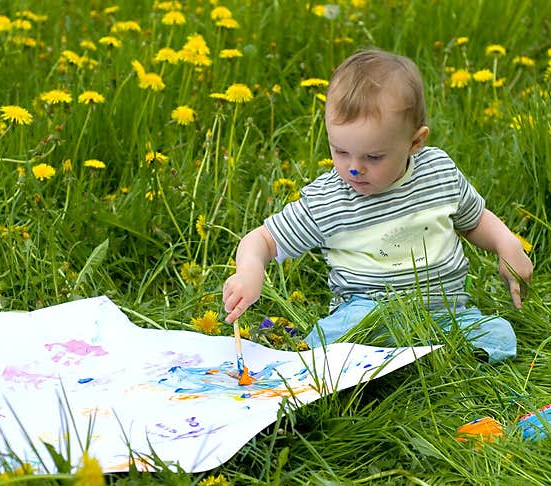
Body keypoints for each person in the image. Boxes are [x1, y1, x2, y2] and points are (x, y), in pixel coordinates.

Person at [222, 47, 533, 363]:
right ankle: (354, 360)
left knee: (498, 334)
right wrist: (250, 270)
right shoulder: (328, 200)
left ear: (414, 142)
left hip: (444, 312)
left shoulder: (438, 173)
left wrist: (506, 243)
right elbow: (263, 240)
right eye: (340, 152)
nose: (354, 168)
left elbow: (475, 220)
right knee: (332, 338)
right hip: (366, 315)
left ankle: (443, 358)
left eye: (373, 157)